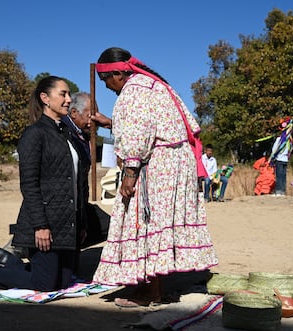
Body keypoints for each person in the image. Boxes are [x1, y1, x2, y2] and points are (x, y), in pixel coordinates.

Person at [91, 47, 218, 307]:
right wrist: (110, 123)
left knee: (144, 220)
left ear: (117, 72)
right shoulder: (152, 85)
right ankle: (155, 286)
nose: (106, 86)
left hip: (159, 166)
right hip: (175, 162)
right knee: (159, 222)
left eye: (106, 80)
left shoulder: (134, 90)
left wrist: (129, 172)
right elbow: (151, 124)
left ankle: (150, 292)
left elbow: (139, 134)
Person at [0, 76, 92, 291]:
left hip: (67, 224)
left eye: (69, 94)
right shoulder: (34, 134)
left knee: (63, 281)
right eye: (63, 94)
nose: (69, 99)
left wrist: (82, 222)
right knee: (44, 284)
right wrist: (40, 226)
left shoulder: (69, 135)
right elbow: (29, 184)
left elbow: (79, 182)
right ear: (45, 98)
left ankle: (10, 262)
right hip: (45, 224)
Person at [268, 116, 293, 196]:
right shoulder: (289, 140)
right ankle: (282, 191)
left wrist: (272, 158)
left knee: (279, 176)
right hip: (285, 160)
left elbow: (274, 150)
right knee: (283, 176)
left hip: (279, 160)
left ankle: (279, 191)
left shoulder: (279, 140)